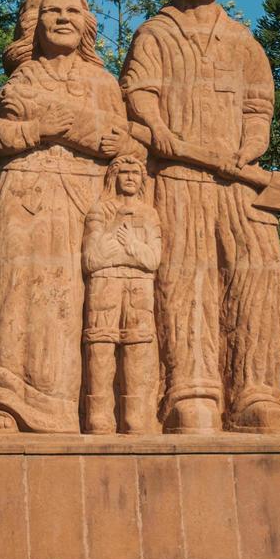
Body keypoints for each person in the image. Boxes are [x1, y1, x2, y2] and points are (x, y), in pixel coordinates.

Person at [120, 0, 280, 434]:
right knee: (183, 279)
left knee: (255, 279)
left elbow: (259, 106)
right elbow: (138, 97)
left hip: (240, 187)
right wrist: (164, 134)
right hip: (178, 181)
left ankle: (255, 391)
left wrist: (250, 146)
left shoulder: (243, 40)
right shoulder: (156, 33)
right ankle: (190, 391)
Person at [0, 0, 133, 433]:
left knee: (74, 300)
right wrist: (38, 129)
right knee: (16, 290)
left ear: (85, 26)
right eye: (51, 11)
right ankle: (4, 398)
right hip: (24, 193)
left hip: (85, 199)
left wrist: (81, 130)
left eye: (72, 11)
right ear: (33, 25)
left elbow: (118, 139)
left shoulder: (102, 83)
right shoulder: (22, 78)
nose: (62, 18)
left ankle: (73, 406)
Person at [81, 155, 161, 434]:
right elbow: (92, 259)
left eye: (135, 173)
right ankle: (99, 414)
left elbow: (153, 260)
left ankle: (135, 415)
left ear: (142, 179)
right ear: (113, 176)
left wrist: (132, 246)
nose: (129, 177)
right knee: (100, 344)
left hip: (139, 286)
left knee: (137, 345)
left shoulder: (149, 214)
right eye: (123, 172)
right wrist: (122, 247)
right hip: (104, 284)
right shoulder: (100, 211)